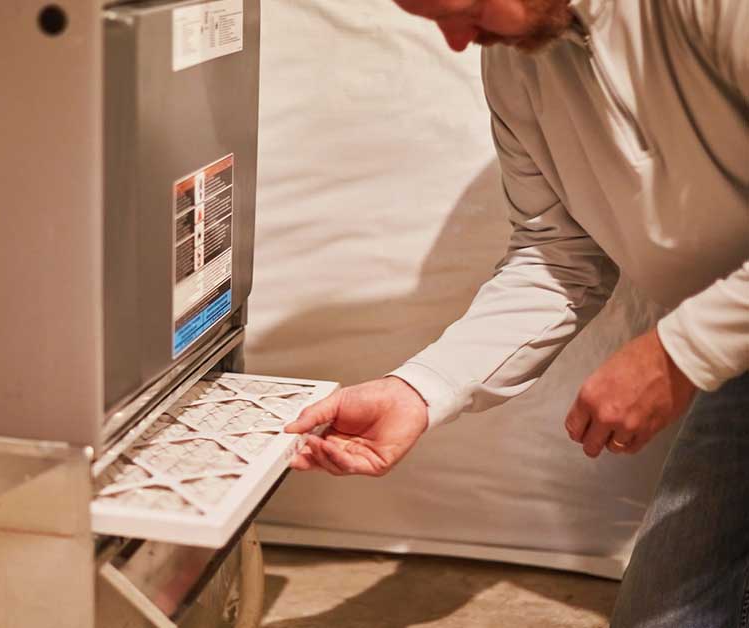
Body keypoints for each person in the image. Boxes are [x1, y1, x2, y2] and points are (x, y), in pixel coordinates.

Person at [285, 1, 749, 626]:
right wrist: (420, 390)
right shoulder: (514, 62)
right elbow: (559, 254)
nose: (456, 39)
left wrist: (680, 352)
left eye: (465, 6)